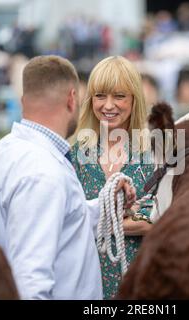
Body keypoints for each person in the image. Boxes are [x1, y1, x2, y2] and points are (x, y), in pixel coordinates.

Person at [0, 55, 136, 300]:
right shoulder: (43, 172)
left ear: (23, 101)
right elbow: (31, 281)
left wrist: (107, 202)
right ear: (72, 99)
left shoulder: (0, 152)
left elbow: (65, 218)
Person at [71, 55, 154, 299]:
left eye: (119, 96)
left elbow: (161, 219)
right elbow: (67, 217)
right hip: (86, 282)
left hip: (143, 282)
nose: (108, 105)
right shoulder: (74, 156)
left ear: (134, 99)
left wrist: (94, 216)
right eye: (100, 96)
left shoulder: (155, 153)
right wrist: (131, 215)